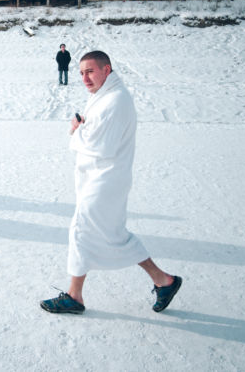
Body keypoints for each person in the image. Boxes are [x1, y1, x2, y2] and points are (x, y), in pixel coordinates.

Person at [40, 51, 182, 315]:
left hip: (105, 180)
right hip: (101, 177)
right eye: (81, 72)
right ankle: (164, 281)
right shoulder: (102, 96)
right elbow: (96, 133)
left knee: (81, 230)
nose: (85, 78)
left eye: (90, 71)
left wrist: (77, 131)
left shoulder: (115, 100)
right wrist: (83, 127)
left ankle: (74, 297)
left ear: (107, 70)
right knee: (113, 235)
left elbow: (101, 145)